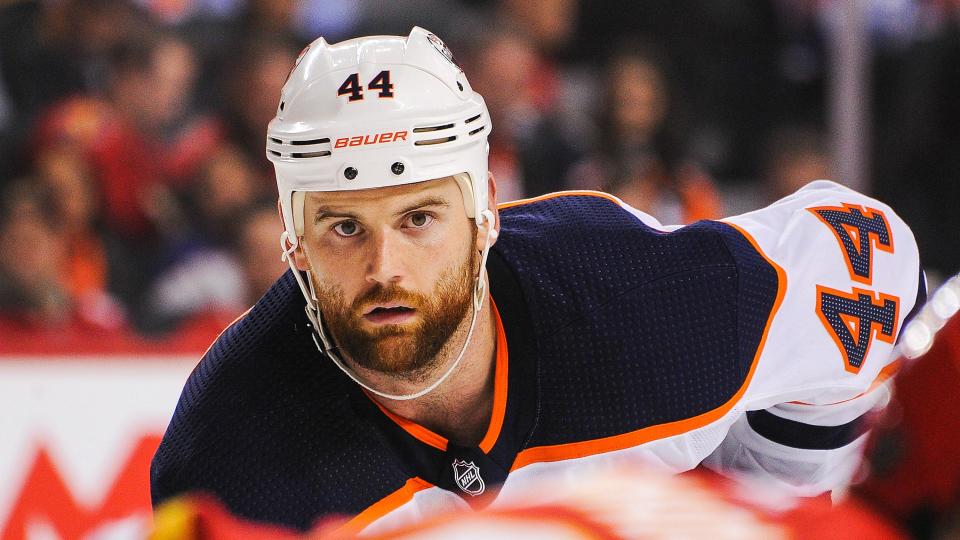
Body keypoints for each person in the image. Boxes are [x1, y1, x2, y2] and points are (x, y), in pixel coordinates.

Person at [151, 28, 926, 536]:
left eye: (419, 218)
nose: (385, 267)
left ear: (485, 213)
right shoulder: (229, 460)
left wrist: (772, 496)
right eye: (345, 227)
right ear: (294, 244)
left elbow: (871, 257)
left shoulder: (648, 310)